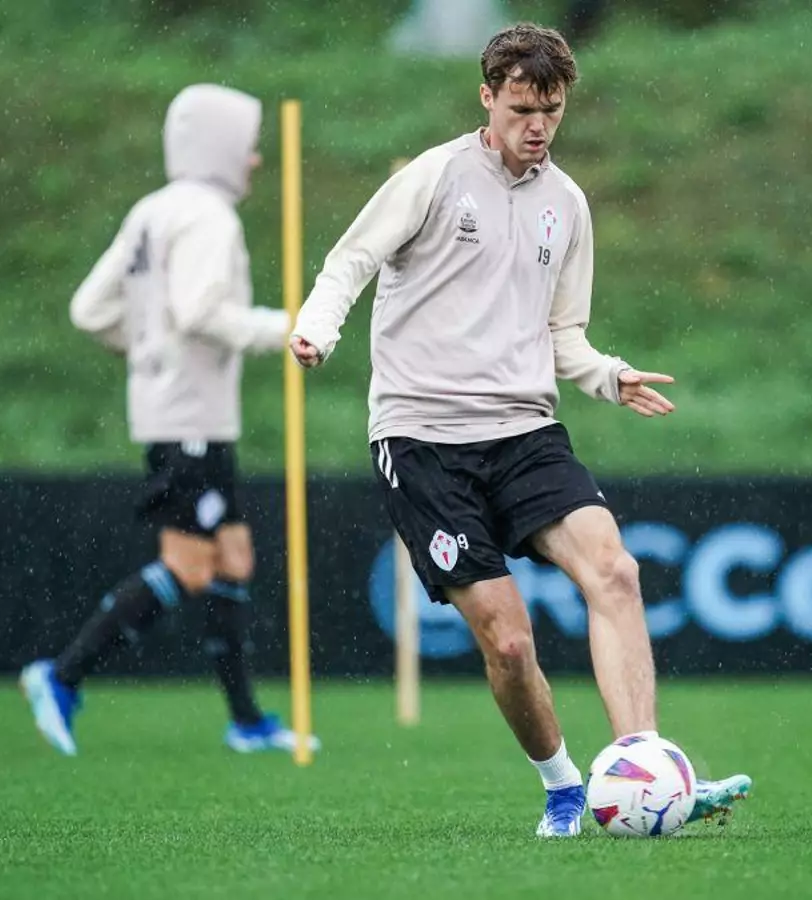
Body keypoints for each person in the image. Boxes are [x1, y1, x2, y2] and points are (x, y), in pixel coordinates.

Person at [289, 23, 749, 835]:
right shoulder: (435, 176)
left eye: (552, 111)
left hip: (523, 430)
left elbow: (563, 333)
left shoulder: (566, 204)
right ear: (488, 98)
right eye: (522, 109)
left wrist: (607, 374)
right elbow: (351, 259)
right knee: (508, 643)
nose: (537, 127)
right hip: (423, 437)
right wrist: (317, 328)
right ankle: (564, 786)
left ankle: (647, 773)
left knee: (616, 571)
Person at [19, 84, 319, 757]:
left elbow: (91, 310)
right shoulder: (210, 217)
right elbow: (199, 313)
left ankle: (246, 722)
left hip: (182, 415)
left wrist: (147, 351)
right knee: (189, 565)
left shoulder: (152, 210)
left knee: (232, 558)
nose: (255, 160)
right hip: (190, 419)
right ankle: (61, 676)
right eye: (247, 146)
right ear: (219, 148)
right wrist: (284, 327)